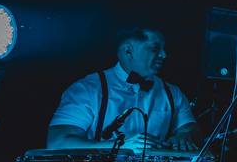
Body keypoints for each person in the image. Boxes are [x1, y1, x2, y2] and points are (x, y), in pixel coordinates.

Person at [48, 27, 196, 151]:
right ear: (128, 51)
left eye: (164, 49)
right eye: (155, 48)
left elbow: (190, 130)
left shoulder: (173, 93)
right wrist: (120, 146)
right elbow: (57, 143)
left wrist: (184, 136)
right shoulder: (87, 89)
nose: (164, 55)